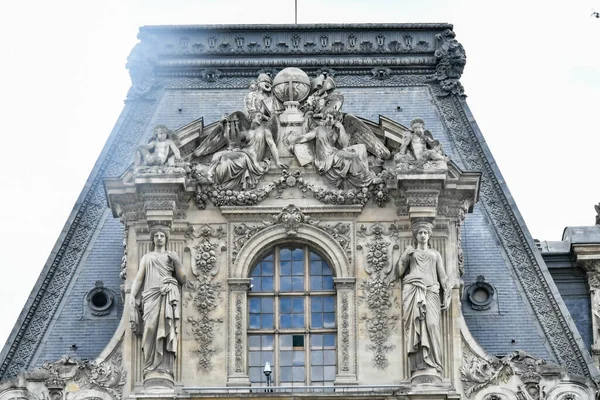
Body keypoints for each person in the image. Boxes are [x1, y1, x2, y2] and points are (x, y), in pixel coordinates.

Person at [392, 221, 450, 374]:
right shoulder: (411, 254)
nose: (423, 235)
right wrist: (405, 254)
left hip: (431, 291)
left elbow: (442, 276)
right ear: (416, 236)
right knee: (415, 325)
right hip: (414, 291)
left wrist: (448, 291)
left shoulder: (435, 254)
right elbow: (398, 272)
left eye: (425, 233)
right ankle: (421, 363)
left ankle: (435, 362)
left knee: (432, 325)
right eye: (420, 233)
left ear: (429, 235)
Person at [129, 226, 186, 376]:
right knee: (149, 329)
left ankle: (164, 366)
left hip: (166, 295)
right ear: (153, 239)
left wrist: (177, 261)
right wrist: (132, 296)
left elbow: (183, 279)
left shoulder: (171, 256)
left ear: (166, 239)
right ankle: (149, 365)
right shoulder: (147, 257)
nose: (159, 238)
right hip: (150, 296)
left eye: (162, 236)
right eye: (156, 236)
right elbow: (139, 278)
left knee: (166, 329)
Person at [286, 111, 374, 189]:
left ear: (336, 120)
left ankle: (363, 178)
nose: (328, 119)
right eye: (327, 117)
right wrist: (292, 142)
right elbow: (305, 137)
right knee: (352, 156)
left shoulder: (336, 131)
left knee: (357, 152)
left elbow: (345, 144)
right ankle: (365, 179)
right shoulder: (319, 129)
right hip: (324, 159)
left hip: (333, 154)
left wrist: (341, 128)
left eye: (331, 118)